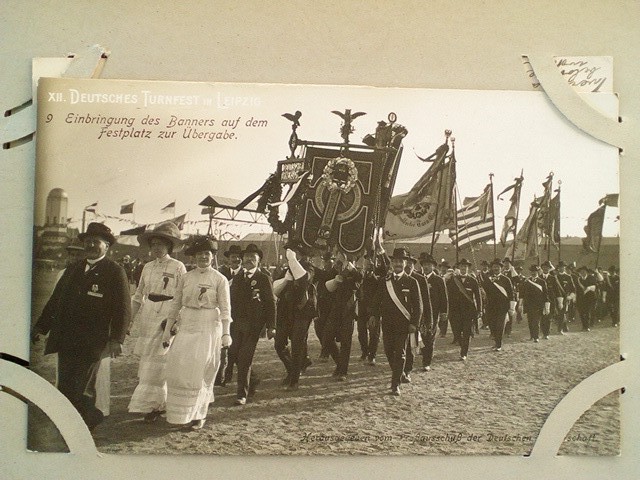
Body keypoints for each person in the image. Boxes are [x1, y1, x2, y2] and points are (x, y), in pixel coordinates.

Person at [31, 222, 131, 431]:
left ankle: (85, 424)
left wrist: (117, 339)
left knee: (83, 386)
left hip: (94, 340)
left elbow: (123, 309)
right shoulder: (73, 269)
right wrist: (41, 327)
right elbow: (56, 300)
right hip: (67, 337)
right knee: (66, 383)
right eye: (88, 241)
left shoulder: (114, 271)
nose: (91, 245)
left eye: (97, 242)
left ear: (106, 246)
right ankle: (80, 422)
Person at [161, 236, 231, 429]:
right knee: (180, 368)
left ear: (212, 256)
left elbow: (225, 309)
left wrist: (226, 333)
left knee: (201, 370)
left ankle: (199, 414)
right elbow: (175, 305)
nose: (203, 257)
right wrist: (168, 330)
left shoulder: (220, 279)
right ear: (194, 257)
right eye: (199, 254)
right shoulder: (186, 277)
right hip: (187, 323)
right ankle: (180, 414)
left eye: (207, 254)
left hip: (208, 325)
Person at [127, 221, 186, 422]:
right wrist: (129, 320)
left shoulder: (178, 267)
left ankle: (156, 405)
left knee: (161, 359)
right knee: (147, 359)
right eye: (153, 244)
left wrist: (176, 320)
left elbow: (183, 297)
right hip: (148, 314)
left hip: (167, 314)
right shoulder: (147, 267)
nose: (157, 248)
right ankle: (152, 403)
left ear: (169, 246)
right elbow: (138, 296)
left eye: (161, 244)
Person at [227, 243, 276, 405]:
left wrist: (271, 326)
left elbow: (270, 303)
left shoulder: (263, 279)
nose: (248, 260)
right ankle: (252, 380)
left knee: (245, 358)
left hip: (253, 326)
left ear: (258, 261)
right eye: (246, 257)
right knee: (233, 355)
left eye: (252, 257)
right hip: (235, 325)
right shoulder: (238, 278)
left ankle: (242, 394)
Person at [371, 247, 422, 396]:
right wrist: (373, 315)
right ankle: (398, 373)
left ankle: (395, 384)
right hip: (387, 323)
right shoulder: (384, 281)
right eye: (396, 261)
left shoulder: (412, 282)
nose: (398, 264)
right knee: (388, 351)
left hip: (403, 324)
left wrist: (414, 323)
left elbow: (418, 305)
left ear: (405, 263)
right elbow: (376, 300)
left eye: (401, 261)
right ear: (392, 263)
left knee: (400, 353)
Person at [273, 244, 317, 390]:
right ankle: (293, 368)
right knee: (279, 344)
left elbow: (304, 279)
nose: (290, 254)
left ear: (299, 254)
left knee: (297, 344)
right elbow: (276, 288)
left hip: (302, 311)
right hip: (285, 311)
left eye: (293, 252)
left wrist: (292, 261)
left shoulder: (308, 267)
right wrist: (285, 279)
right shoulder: (286, 269)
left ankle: (294, 380)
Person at [322, 253, 362, 381]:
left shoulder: (354, 271)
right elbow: (326, 281)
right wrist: (337, 266)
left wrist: (351, 268)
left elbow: (359, 278)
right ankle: (340, 363)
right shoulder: (335, 268)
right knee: (327, 338)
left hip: (348, 309)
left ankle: (343, 371)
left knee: (346, 341)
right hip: (334, 309)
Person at [216, 244, 242, 387]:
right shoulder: (221, 274)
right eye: (233, 257)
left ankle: (231, 374)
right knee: (223, 347)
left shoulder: (245, 274)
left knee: (235, 348)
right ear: (229, 259)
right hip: (223, 314)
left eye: (238, 257)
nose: (236, 259)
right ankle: (223, 375)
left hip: (239, 316)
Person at [446, 259, 481, 361]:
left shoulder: (473, 280)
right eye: (461, 266)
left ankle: (464, 352)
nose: (463, 268)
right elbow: (446, 294)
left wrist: (479, 310)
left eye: (465, 266)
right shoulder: (453, 280)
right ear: (458, 268)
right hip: (455, 311)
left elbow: (478, 296)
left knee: (467, 332)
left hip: (468, 311)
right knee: (456, 331)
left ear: (468, 268)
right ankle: (461, 342)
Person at [418, 252, 448, 371]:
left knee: (429, 335)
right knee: (420, 334)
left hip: (433, 313)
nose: (426, 267)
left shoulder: (438, 280)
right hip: (419, 312)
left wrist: (444, 312)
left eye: (429, 265)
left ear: (433, 267)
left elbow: (444, 297)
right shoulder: (418, 278)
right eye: (424, 264)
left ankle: (427, 362)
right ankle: (423, 351)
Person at [480, 259, 516, 351]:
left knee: (500, 325)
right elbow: (483, 291)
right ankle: (496, 342)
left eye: (498, 267)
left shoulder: (506, 280)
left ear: (501, 268)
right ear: (491, 268)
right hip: (490, 307)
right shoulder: (487, 279)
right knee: (492, 326)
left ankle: (499, 344)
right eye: (494, 267)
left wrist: (512, 308)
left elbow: (511, 294)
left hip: (502, 307)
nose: (496, 268)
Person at [314, 252, 338, 361]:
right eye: (325, 261)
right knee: (319, 329)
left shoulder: (334, 273)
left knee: (328, 331)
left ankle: (326, 352)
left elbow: (327, 277)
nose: (327, 264)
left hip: (332, 306)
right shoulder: (322, 273)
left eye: (329, 262)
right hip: (321, 305)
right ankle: (327, 351)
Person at [520, 265, 550, 342]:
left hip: (538, 305)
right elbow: (522, 293)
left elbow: (545, 294)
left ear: (538, 272)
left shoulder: (542, 282)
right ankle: (532, 336)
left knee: (536, 321)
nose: (533, 273)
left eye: (535, 272)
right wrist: (520, 304)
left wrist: (546, 307)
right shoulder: (526, 281)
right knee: (530, 321)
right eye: (532, 271)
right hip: (528, 305)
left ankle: (536, 337)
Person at [539, 261, 565, 340]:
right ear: (542, 268)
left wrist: (560, 302)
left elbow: (557, 291)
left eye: (547, 267)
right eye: (544, 267)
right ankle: (543, 331)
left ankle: (546, 334)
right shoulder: (539, 277)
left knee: (548, 317)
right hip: (540, 301)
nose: (545, 268)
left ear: (549, 268)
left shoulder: (553, 278)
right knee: (542, 318)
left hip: (551, 301)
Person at [555, 261, 576, 333]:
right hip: (555, 297)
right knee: (558, 313)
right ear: (558, 268)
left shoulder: (568, 277)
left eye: (563, 267)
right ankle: (564, 325)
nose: (562, 268)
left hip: (565, 297)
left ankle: (560, 329)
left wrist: (570, 297)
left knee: (562, 312)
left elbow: (573, 289)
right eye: (560, 267)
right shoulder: (555, 277)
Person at [575, 266, 598, 332]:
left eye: (584, 271)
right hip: (580, 298)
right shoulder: (578, 279)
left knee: (587, 312)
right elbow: (576, 289)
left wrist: (588, 289)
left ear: (587, 272)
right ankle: (583, 326)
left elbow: (594, 287)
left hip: (590, 298)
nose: (583, 273)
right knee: (581, 313)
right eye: (581, 272)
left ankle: (587, 326)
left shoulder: (591, 278)